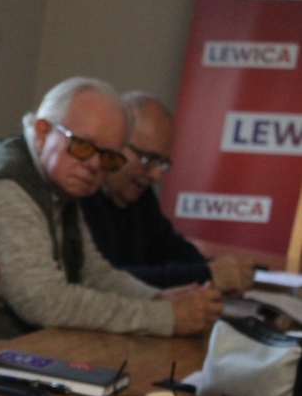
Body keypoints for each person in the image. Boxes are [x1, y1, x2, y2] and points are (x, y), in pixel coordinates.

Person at [0, 77, 223, 341]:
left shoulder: (58, 181)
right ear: (43, 132)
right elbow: (45, 302)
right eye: (81, 146)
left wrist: (158, 298)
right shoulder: (8, 187)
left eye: (108, 157)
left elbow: (93, 273)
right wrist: (164, 317)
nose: (94, 165)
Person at [80, 91, 256, 293]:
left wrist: (218, 270)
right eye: (147, 159)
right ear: (114, 144)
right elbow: (106, 279)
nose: (156, 175)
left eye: (162, 163)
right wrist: (205, 274)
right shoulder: (78, 196)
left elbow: (169, 247)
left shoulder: (141, 196)